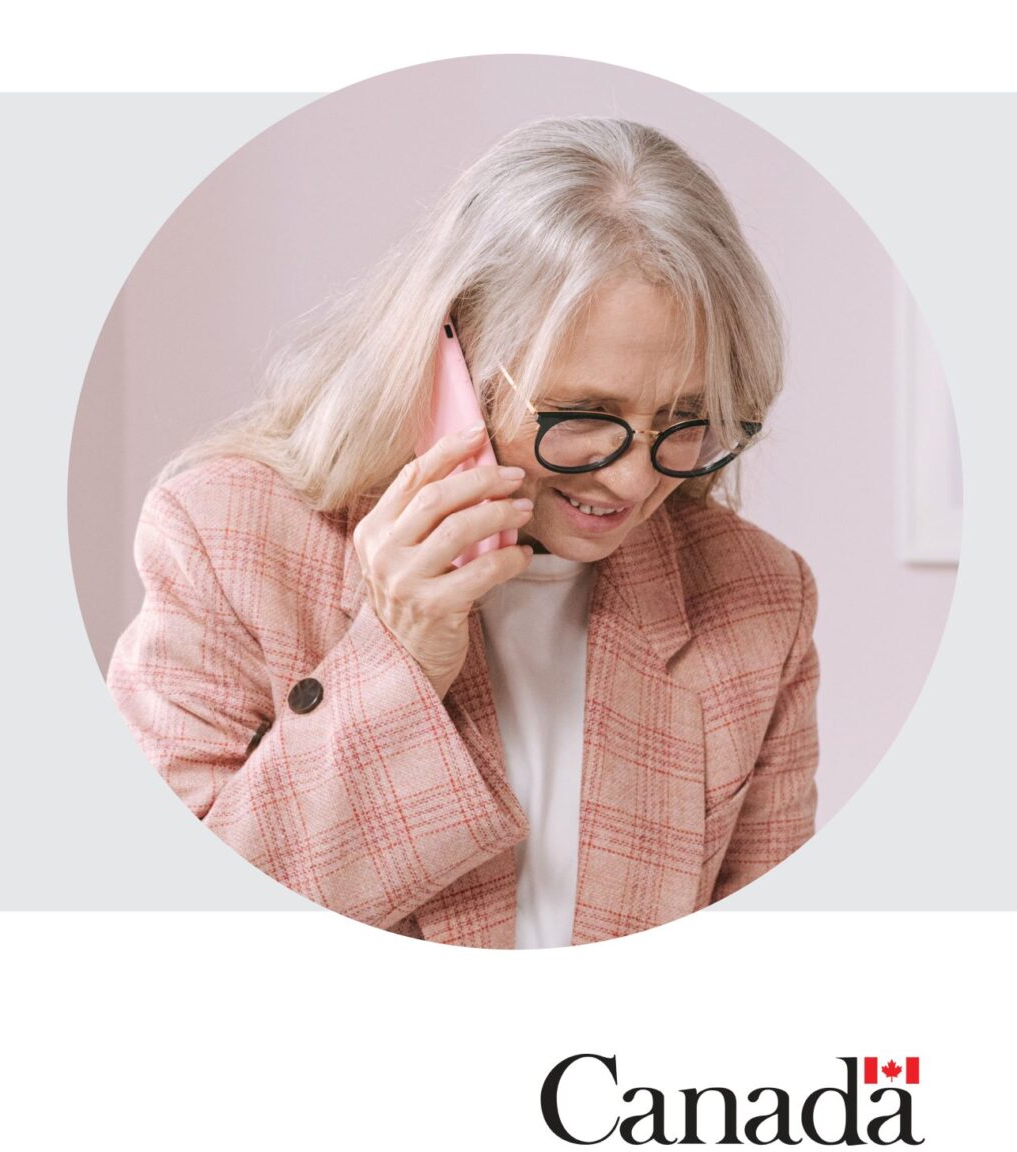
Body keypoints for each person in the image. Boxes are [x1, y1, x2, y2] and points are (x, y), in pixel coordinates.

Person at [106, 117, 818, 948]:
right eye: (585, 414)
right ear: (453, 355)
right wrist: (396, 660)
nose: (633, 479)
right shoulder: (229, 539)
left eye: (685, 418)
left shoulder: (760, 600)